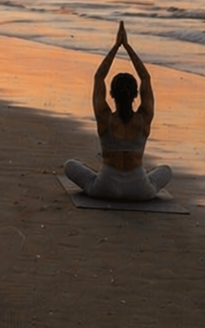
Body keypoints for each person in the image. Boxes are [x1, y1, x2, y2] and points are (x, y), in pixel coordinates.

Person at [64, 21, 171, 201]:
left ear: (111, 93)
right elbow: (145, 77)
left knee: (70, 165)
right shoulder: (144, 118)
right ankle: (145, 183)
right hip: (140, 190)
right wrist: (127, 47)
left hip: (106, 186)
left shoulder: (105, 118)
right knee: (166, 170)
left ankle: (98, 183)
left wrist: (116, 47)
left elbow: (99, 77)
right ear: (136, 94)